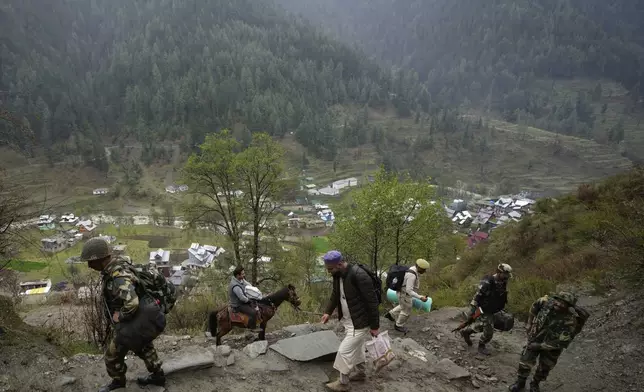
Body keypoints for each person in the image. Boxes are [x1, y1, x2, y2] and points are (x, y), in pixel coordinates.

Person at [80, 238, 165, 392]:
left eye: (90, 261)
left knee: (112, 356)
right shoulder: (118, 264)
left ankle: (118, 382)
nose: (88, 265)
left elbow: (132, 303)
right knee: (145, 347)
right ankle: (158, 376)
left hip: (131, 321)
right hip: (139, 320)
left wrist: (121, 317)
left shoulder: (118, 276)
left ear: (99, 259)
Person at [320, 251, 379, 392]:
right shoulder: (337, 274)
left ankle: (343, 383)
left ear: (340, 264)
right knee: (358, 349)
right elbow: (335, 294)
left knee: (343, 352)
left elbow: (372, 302)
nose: (329, 272)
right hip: (349, 320)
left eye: (330, 269)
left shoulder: (359, 276)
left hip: (360, 323)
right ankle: (360, 373)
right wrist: (328, 312)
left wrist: (375, 326)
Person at [509, 292, 579, 392]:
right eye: (558, 300)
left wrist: (540, 346)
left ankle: (535, 384)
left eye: (563, 303)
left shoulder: (571, 320)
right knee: (525, 360)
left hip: (552, 346)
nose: (559, 304)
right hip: (536, 337)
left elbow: (562, 342)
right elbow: (534, 307)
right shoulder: (545, 302)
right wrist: (529, 323)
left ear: (568, 306)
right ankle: (520, 383)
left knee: (545, 367)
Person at [460, 263, 512, 355]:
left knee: (484, 325)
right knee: (489, 331)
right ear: (499, 272)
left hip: (493, 308)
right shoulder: (488, 281)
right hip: (484, 308)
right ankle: (481, 345)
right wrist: (472, 311)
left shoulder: (503, 281)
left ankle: (467, 332)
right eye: (505, 274)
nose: (507, 276)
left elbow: (501, 295)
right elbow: (478, 296)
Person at [384, 258, 430, 333]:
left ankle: (391, 314)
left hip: (402, 293)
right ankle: (398, 325)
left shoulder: (412, 269)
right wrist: (420, 297)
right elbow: (409, 290)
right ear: (419, 267)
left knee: (402, 306)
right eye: (423, 269)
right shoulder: (412, 275)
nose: (425, 271)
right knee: (406, 311)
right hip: (405, 295)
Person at [228, 266, 260, 332]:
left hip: (242, 301)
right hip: (238, 304)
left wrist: (254, 291)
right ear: (237, 275)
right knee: (253, 312)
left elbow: (247, 284)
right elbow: (242, 298)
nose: (244, 275)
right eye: (242, 274)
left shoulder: (240, 279)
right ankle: (252, 328)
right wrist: (249, 300)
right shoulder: (235, 286)